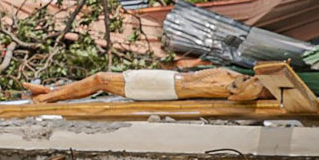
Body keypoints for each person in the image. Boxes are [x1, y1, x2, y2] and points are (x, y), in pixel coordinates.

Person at [23, 68, 268, 103]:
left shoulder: (244, 88)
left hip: (166, 86)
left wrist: (249, 85)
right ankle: (50, 92)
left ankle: (49, 96)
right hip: (170, 80)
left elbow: (242, 95)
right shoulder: (232, 77)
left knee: (101, 80)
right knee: (101, 80)